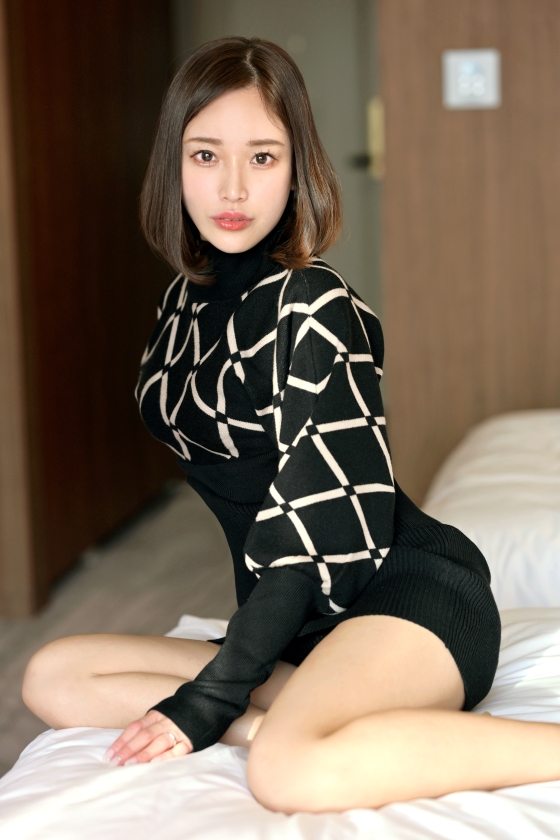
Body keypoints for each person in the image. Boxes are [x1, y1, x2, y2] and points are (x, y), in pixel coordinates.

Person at [22, 37, 560, 814]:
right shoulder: (180, 304)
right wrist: (228, 696)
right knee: (53, 674)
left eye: (263, 157)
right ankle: (279, 720)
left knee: (286, 771)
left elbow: (318, 533)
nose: (233, 187)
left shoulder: (312, 303)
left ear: (296, 167)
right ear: (174, 164)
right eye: (206, 155)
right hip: (300, 626)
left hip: (401, 597)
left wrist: (211, 699)